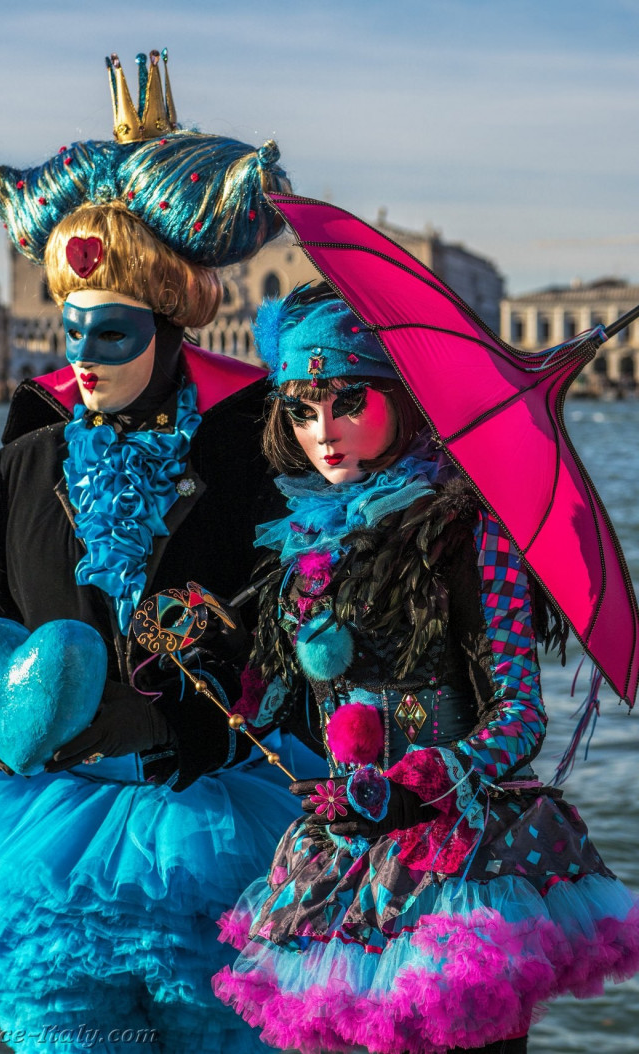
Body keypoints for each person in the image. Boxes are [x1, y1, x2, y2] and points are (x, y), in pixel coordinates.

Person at [0, 51, 310, 1054]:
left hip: (201, 813)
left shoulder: (240, 453)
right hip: (43, 828)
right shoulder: (18, 467)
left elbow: (280, 614)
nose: (84, 359)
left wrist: (233, 660)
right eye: (74, 331)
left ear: (167, 332)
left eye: (112, 336)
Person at [212, 282, 639, 1054]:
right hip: (342, 861)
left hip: (458, 862)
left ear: (398, 395)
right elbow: (297, 701)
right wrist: (221, 673)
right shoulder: (308, 548)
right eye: (303, 411)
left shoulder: (471, 530)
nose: (324, 433)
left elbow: (519, 714)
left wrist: (416, 785)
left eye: (347, 401)